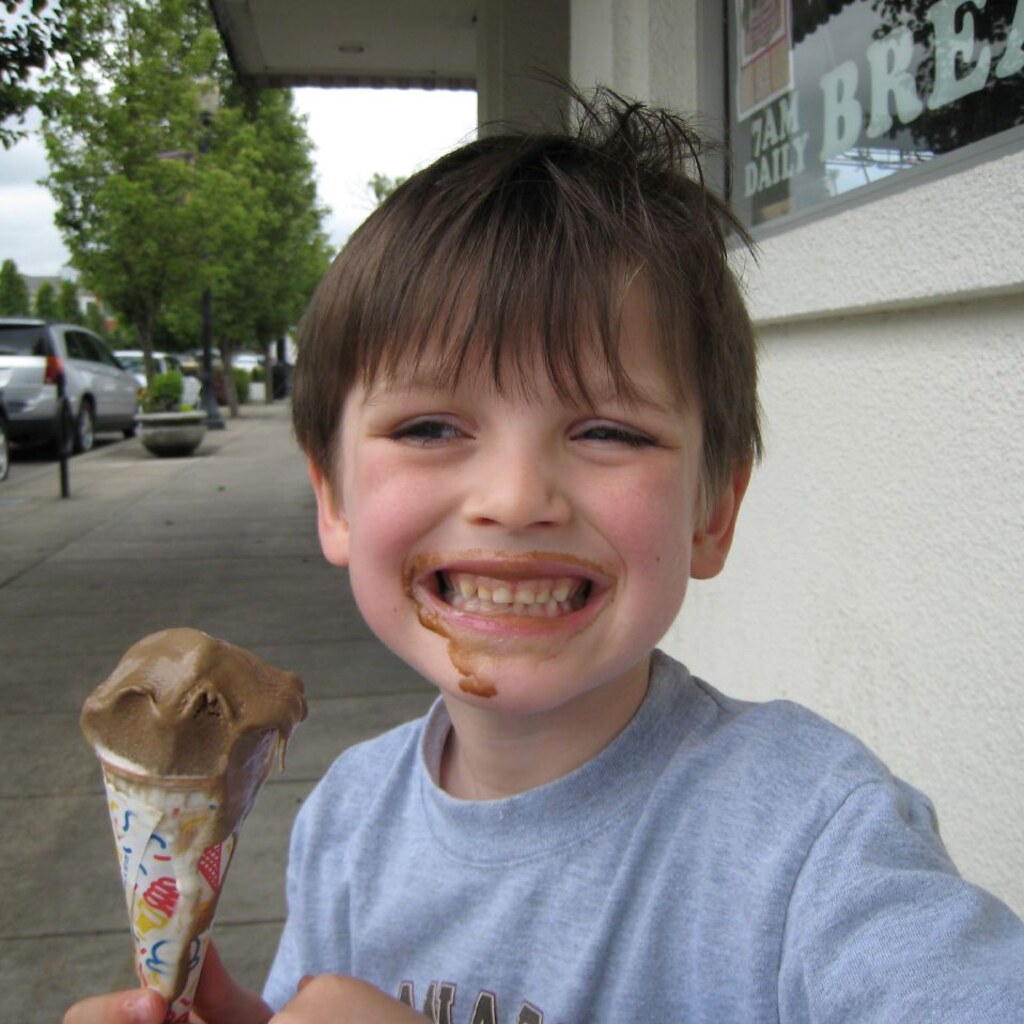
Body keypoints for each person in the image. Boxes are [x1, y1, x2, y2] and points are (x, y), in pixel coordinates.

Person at [66, 88, 1023, 1024]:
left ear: (713, 510)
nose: (518, 499)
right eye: (432, 425)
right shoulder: (346, 818)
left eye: (609, 430)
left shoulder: (819, 838)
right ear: (334, 497)